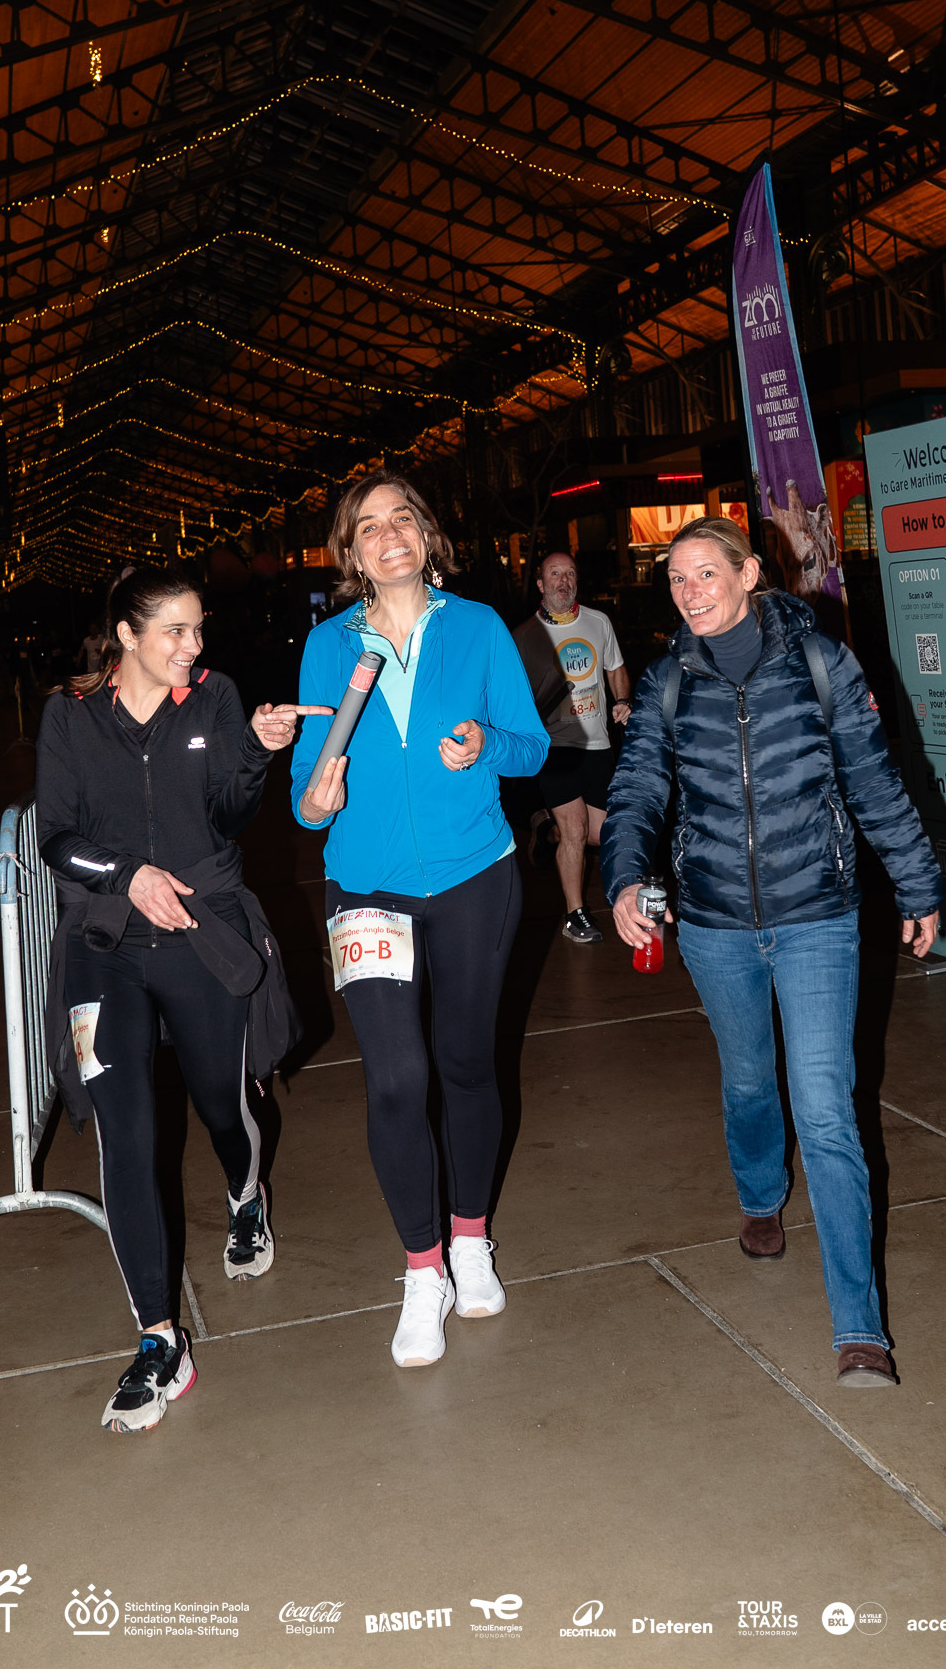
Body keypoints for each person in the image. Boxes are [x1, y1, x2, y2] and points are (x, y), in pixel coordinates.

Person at [602, 516, 941, 1387]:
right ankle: (760, 1196)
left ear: (749, 574)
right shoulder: (668, 681)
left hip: (818, 915)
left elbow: (873, 780)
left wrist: (917, 882)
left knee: (825, 1109)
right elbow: (637, 789)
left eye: (705, 573)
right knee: (751, 1079)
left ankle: (860, 1329)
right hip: (714, 923)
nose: (690, 592)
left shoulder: (821, 664)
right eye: (676, 579)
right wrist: (624, 878)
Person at [36, 567, 327, 1432]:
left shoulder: (215, 698)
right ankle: (159, 1339)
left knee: (220, 1105)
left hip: (202, 932)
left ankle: (246, 1196)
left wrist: (258, 752)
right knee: (126, 1134)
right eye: (174, 631)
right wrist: (127, 877)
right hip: (106, 945)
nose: (193, 646)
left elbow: (230, 813)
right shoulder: (70, 716)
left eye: (198, 629)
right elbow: (55, 837)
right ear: (126, 635)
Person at [292, 473, 548, 1369]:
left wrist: (485, 743)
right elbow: (307, 793)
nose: (389, 534)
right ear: (352, 553)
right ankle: (422, 1270)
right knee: (398, 1080)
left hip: (476, 876)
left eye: (403, 518)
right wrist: (316, 800)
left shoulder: (477, 628)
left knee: (467, 1063)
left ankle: (471, 1238)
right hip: (366, 884)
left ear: (427, 535)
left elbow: (531, 746)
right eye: (369, 527)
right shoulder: (328, 646)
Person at [512, 552, 630, 942]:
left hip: (597, 743)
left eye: (570, 574)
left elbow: (615, 667)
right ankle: (574, 915)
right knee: (576, 830)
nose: (563, 581)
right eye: (555, 574)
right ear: (541, 584)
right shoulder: (524, 636)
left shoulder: (598, 622)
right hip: (555, 746)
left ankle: (545, 828)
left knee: (601, 833)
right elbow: (512, 697)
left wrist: (622, 700)